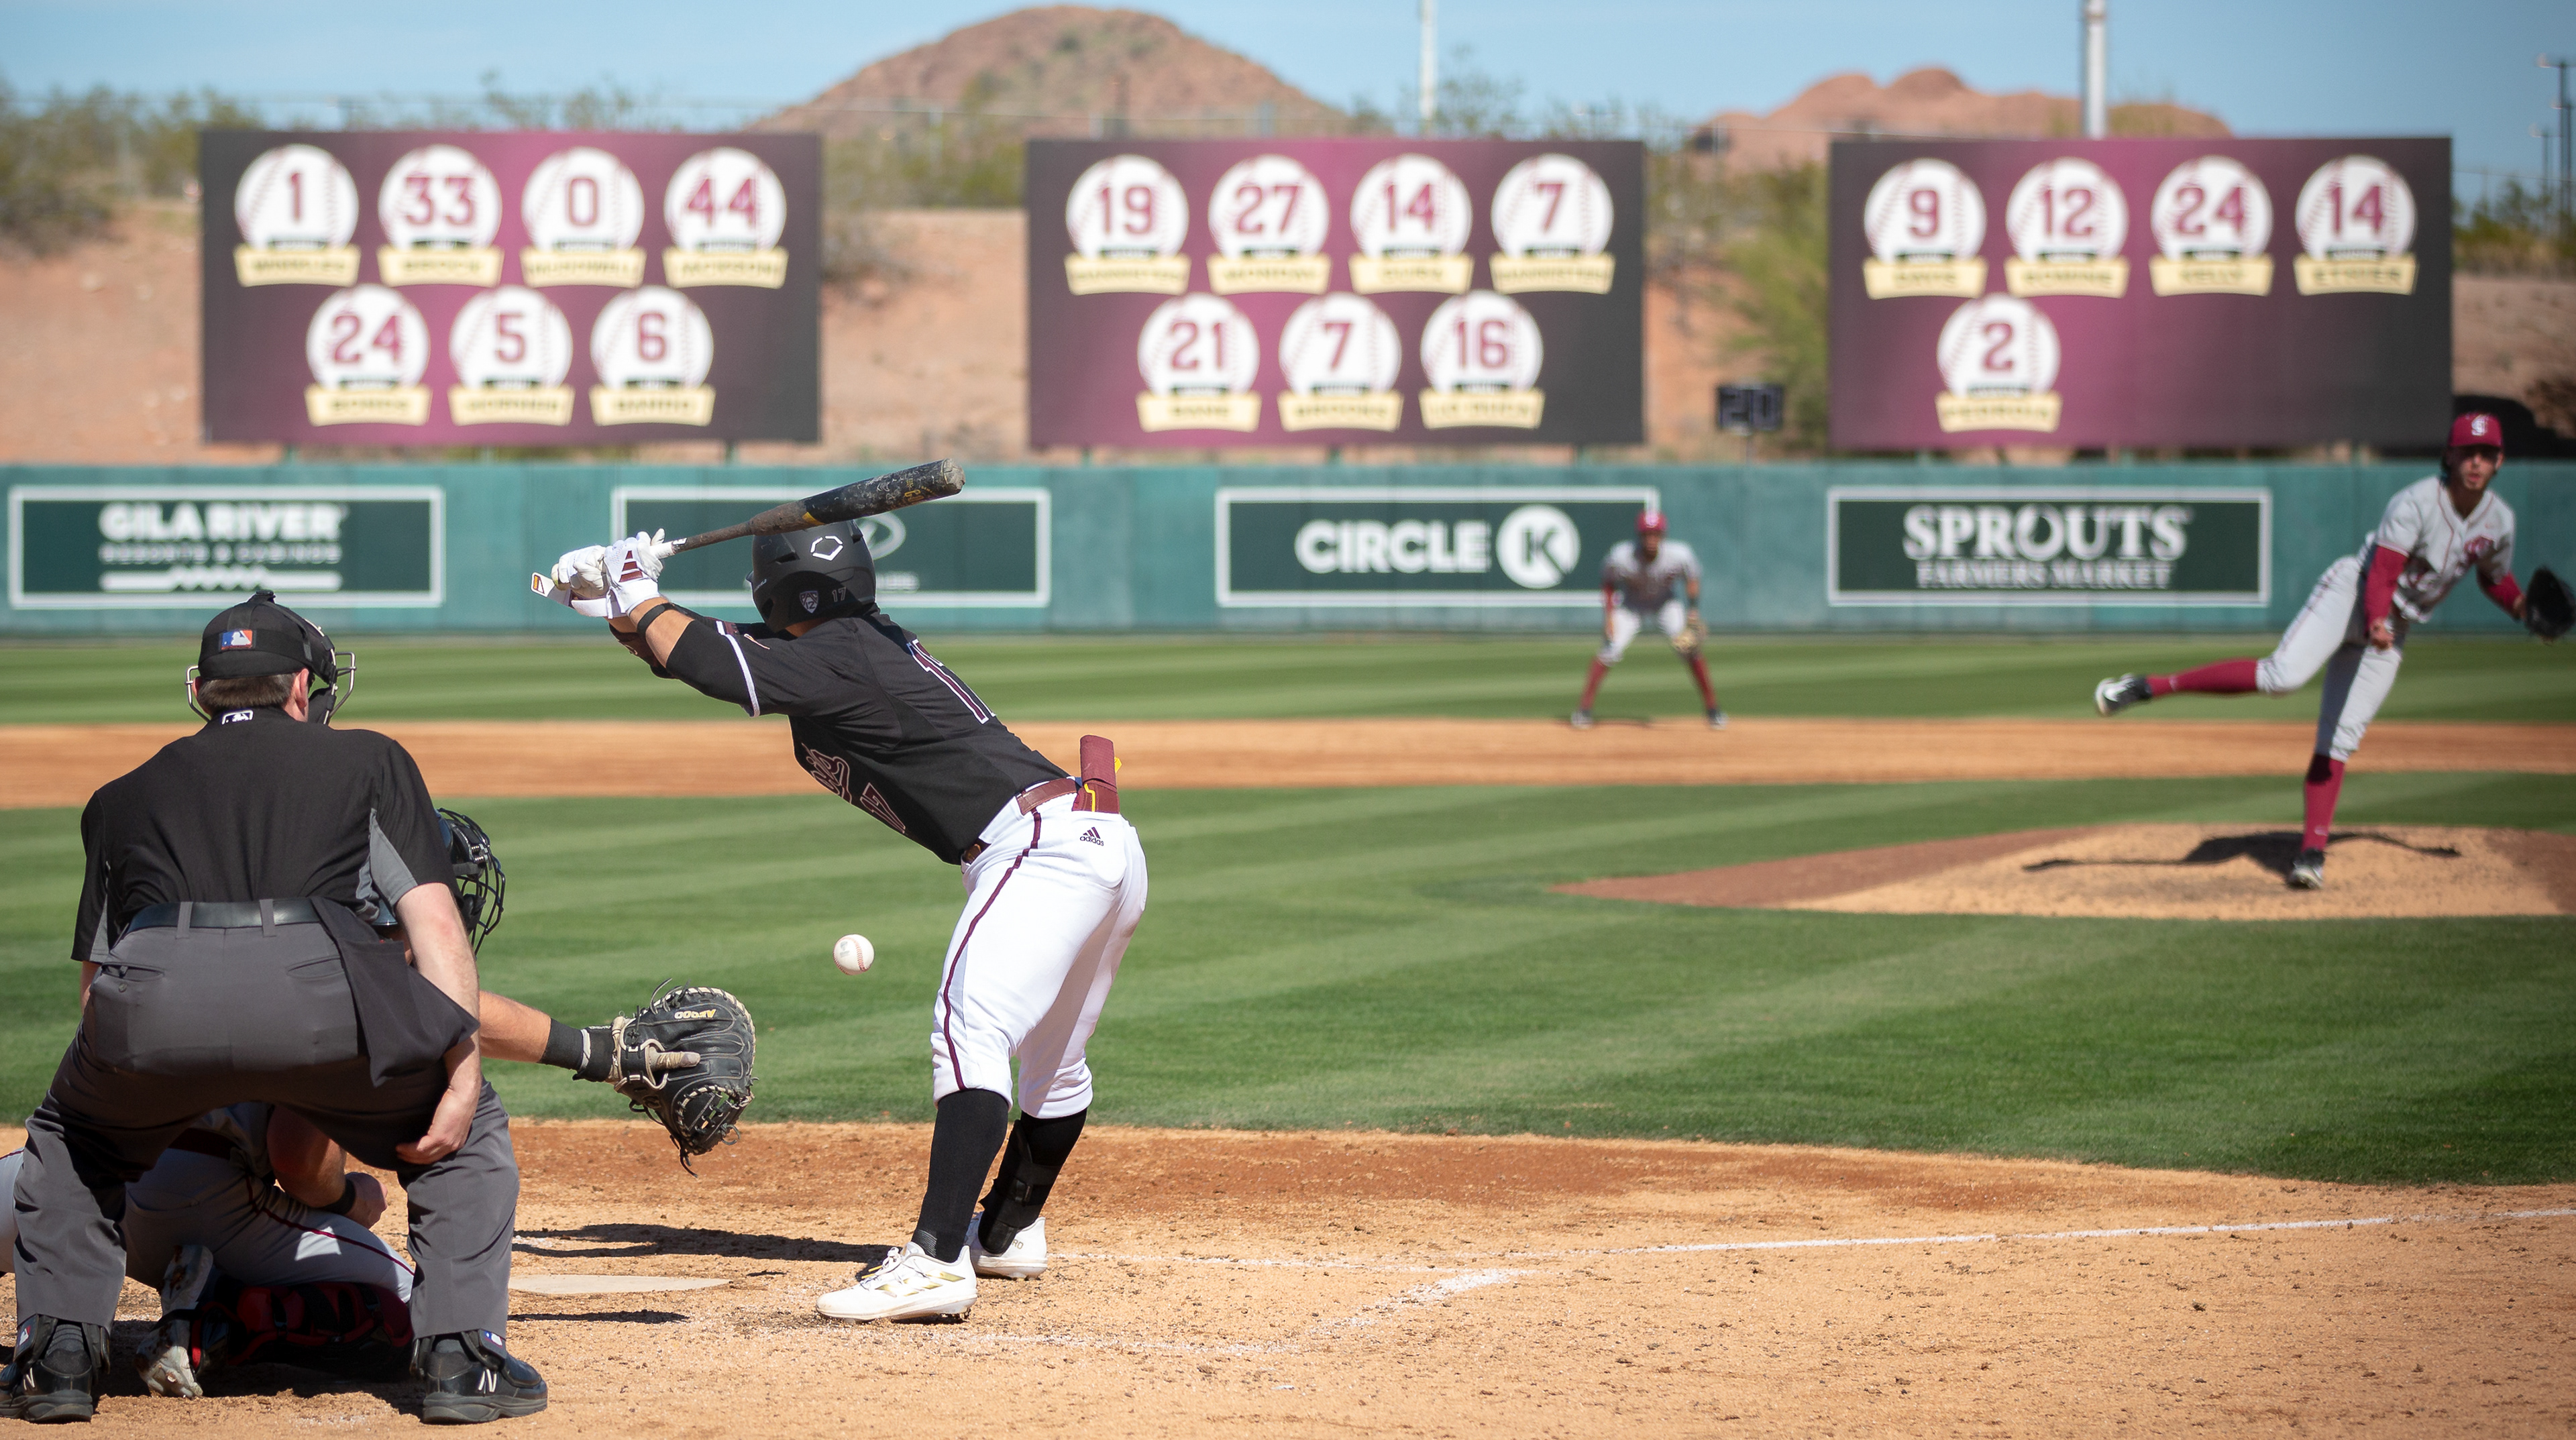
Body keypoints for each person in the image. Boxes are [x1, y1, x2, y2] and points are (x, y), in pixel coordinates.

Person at [543, 520, 1147, 1323]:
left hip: (1037, 848)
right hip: (1095, 840)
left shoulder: (838, 654)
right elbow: (702, 646)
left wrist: (635, 581)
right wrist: (620, 606)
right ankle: (1005, 1231)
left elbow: (709, 660)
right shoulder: (848, 647)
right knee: (1053, 1065)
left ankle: (935, 1262)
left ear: (772, 584)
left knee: (971, 1030)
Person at [1, 590, 543, 1425]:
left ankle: (58, 1359)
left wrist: (112, 1096)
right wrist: (461, 1067)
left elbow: (96, 984)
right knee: (465, 1140)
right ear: (299, 685)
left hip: (149, 996)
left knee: (74, 1141)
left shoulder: (121, 794)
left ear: (200, 689)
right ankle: (460, 1360)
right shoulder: (370, 757)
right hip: (320, 985)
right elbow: (435, 926)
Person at [2093, 412, 2530, 889]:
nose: (2476, 462)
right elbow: (2383, 571)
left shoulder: (2499, 521)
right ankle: (2150, 686)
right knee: (2283, 677)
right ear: (2449, 454)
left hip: (2395, 625)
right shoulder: (2417, 501)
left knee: (2341, 739)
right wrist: (2377, 619)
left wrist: (2523, 608)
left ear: (2499, 461)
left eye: (2486, 454)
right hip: (2354, 593)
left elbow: (2493, 576)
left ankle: (2311, 854)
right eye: (2468, 451)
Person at [1571, 510, 1725, 730]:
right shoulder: (1621, 555)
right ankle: (1583, 710)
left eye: (1656, 534)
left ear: (1663, 536)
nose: (1651, 539)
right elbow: (1608, 581)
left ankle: (1713, 709)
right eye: (1647, 534)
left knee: (1689, 649)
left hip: (1665, 603)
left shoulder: (1679, 554)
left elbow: (1692, 576)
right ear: (1639, 535)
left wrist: (1692, 611)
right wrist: (1609, 617)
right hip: (1631, 605)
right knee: (1609, 651)